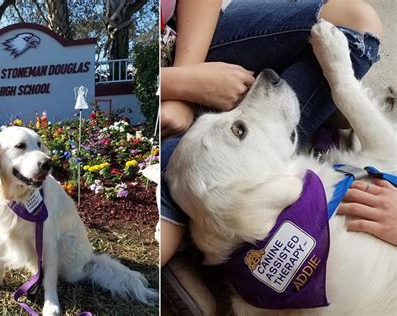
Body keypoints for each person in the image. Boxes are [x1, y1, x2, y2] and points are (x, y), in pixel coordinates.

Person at [160, 0, 387, 268]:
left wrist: (186, 84)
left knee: (357, 28)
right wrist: (176, 86)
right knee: (187, 176)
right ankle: (314, 111)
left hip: (185, 44)